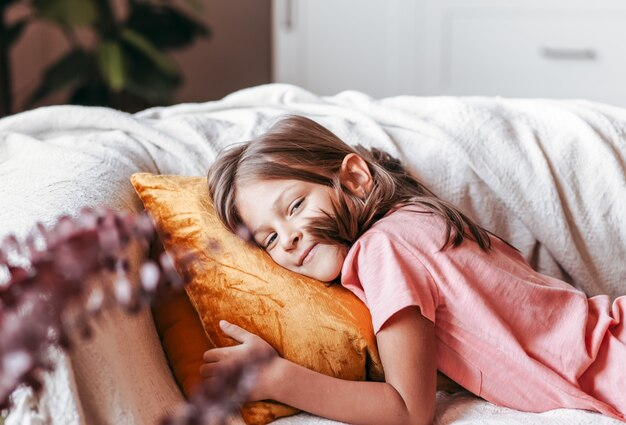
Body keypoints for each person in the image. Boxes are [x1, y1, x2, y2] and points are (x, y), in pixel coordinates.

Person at [203, 115, 626, 425]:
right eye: (269, 239)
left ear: (354, 178)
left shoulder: (382, 250)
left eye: (295, 206)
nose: (289, 238)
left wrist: (277, 379)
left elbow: (407, 409)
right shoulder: (418, 217)